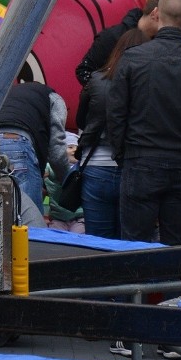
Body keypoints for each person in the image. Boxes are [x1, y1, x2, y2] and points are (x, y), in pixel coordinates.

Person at [107, 0, 181, 245]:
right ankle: (175, 286)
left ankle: (137, 287)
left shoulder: (132, 59)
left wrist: (123, 155)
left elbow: (116, 114)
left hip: (140, 161)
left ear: (156, 14)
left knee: (134, 247)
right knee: (176, 248)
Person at [76, 27, 153, 239]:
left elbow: (81, 120)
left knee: (97, 243)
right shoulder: (150, 86)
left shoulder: (96, 80)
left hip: (96, 166)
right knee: (128, 243)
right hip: (134, 167)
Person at [0, 79, 73, 214]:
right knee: (29, 217)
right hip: (18, 142)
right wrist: (67, 181)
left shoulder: (8, 93)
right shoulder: (54, 98)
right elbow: (56, 150)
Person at [75, 0, 164, 87]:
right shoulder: (112, 36)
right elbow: (84, 71)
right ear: (155, 14)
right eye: (169, 19)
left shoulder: (162, 45)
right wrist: (108, 94)